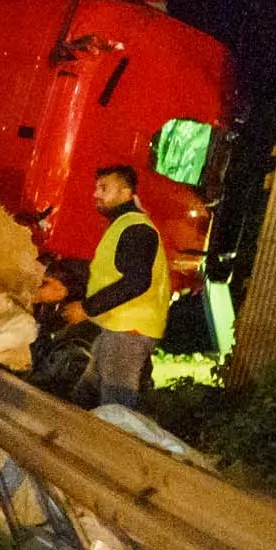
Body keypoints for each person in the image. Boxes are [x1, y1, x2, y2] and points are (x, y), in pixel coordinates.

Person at [62, 163, 169, 411]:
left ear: (125, 193)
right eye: (96, 188)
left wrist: (87, 307)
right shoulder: (125, 226)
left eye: (104, 188)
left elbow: (136, 281)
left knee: (117, 405)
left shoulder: (136, 229)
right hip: (117, 329)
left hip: (128, 332)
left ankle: (112, 445)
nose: (95, 194)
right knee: (86, 394)